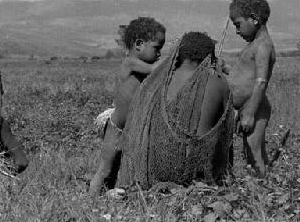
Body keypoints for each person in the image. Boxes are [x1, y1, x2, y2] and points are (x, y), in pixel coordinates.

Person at [116, 32, 234, 189]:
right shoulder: (217, 83)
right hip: (194, 174)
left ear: (178, 55)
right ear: (210, 58)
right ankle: (223, 182)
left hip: (153, 170)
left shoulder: (156, 82)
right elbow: (225, 132)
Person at [89, 17, 166, 195]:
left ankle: (113, 195)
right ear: (139, 44)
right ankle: (91, 199)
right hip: (116, 128)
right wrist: (174, 57)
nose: (159, 54)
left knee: (120, 167)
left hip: (130, 128)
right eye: (157, 48)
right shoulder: (131, 62)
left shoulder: (142, 66)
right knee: (105, 169)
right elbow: (157, 70)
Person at [228, 0, 276, 177]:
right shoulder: (254, 45)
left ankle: (262, 194)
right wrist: (224, 68)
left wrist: (249, 112)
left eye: (238, 25)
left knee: (254, 154)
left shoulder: (263, 45)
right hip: (248, 107)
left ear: (254, 19)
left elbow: (261, 81)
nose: (237, 31)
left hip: (255, 107)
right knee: (251, 153)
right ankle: (262, 188)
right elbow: (244, 74)